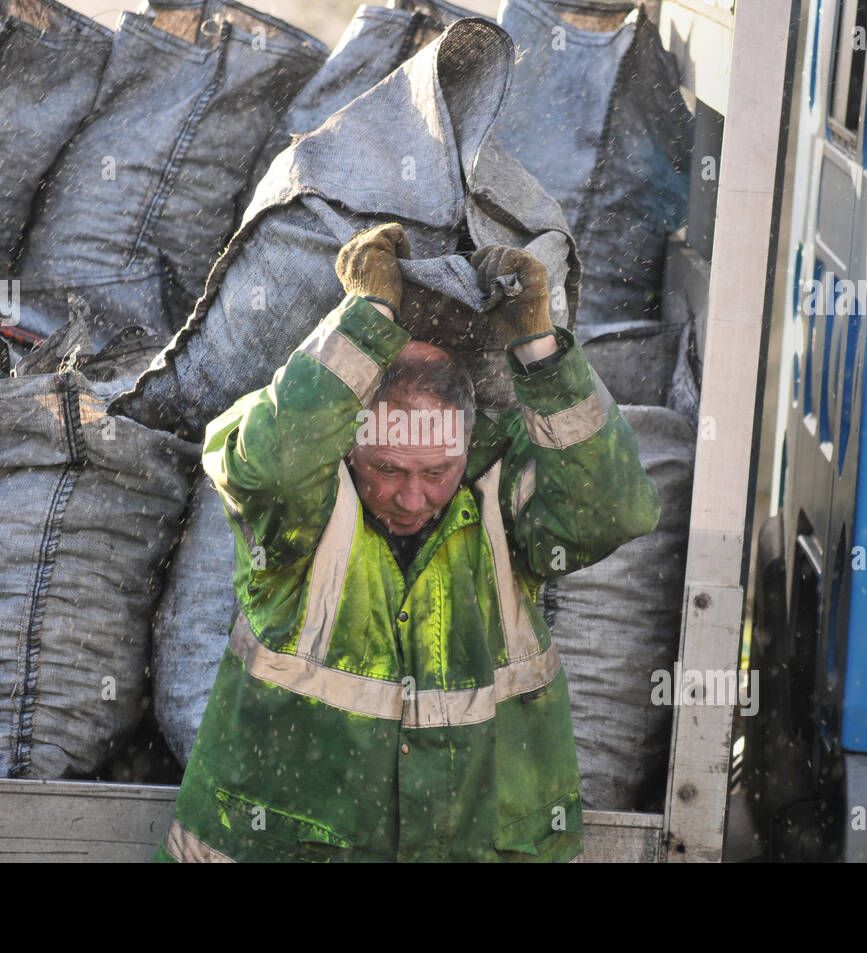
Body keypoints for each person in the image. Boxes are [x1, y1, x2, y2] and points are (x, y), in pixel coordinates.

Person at [157, 222, 660, 863]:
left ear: (470, 448)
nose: (413, 499)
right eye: (387, 470)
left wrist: (538, 350)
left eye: (436, 473)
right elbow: (273, 464)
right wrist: (369, 316)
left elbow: (613, 511)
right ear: (347, 444)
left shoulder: (501, 495)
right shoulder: (300, 515)